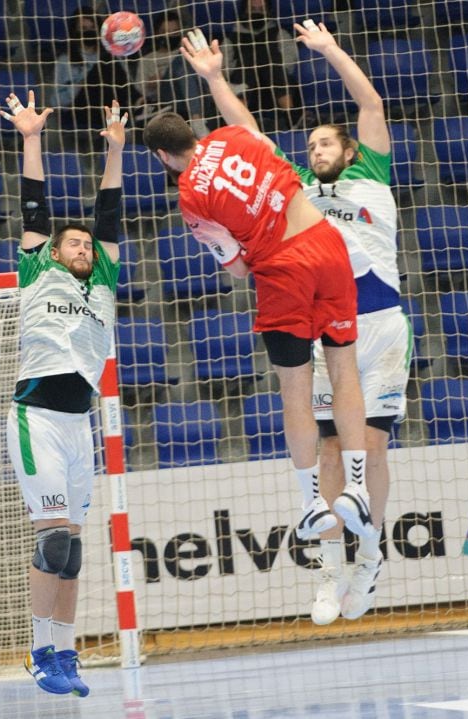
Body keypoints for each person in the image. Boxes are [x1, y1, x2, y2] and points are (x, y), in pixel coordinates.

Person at [143, 29, 376, 555]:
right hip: (327, 243)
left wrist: (247, 237)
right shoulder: (232, 137)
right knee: (344, 369)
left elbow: (237, 269)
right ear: (194, 130)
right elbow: (253, 129)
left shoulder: (190, 199)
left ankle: (313, 502)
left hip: (283, 270)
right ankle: (357, 490)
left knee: (296, 390)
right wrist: (214, 77)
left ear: (162, 155)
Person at [0, 90, 124, 697]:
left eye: (85, 245)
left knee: (72, 552)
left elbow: (111, 214)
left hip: (81, 428)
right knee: (51, 539)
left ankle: (65, 654)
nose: (81, 248)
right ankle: (38, 649)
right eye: (71, 243)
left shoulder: (102, 285)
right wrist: (31, 138)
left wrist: (117, 151)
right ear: (52, 251)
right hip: (37, 419)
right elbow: (34, 206)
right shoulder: (37, 269)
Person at [288, 20, 410, 626]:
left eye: (324, 145)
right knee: (330, 451)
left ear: (350, 150)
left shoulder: (373, 172)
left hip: (381, 322)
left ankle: (370, 557)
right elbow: (251, 140)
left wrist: (329, 49)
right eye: (310, 148)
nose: (316, 152)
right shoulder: (303, 192)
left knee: (375, 448)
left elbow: (371, 102)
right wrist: (214, 78)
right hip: (324, 327)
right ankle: (331, 573)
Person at [50, 6, 142, 135]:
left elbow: (125, 83)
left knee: (110, 62)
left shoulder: (111, 56)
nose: (88, 32)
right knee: (103, 67)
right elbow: (56, 101)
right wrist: (78, 86)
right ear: (74, 31)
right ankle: (136, 109)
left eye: (92, 28)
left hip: (111, 105)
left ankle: (138, 104)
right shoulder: (64, 61)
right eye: (83, 29)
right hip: (82, 110)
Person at [225, 0, 303, 133]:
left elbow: (289, 63)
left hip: (275, 89)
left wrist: (263, 68)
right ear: (244, 10)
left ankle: (292, 119)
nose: (257, 12)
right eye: (253, 9)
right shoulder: (231, 38)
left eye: (261, 9)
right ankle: (240, 124)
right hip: (244, 87)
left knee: (269, 59)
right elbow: (224, 68)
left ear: (268, 11)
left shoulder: (279, 33)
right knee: (249, 61)